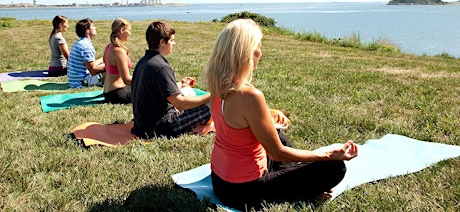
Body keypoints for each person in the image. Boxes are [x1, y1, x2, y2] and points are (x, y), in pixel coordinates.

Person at [203, 19, 359, 210]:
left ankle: (301, 179)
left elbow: (236, 123)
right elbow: (278, 154)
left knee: (276, 134)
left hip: (219, 181)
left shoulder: (217, 85)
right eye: (259, 47)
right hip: (244, 193)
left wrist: (269, 120)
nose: (261, 53)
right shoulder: (250, 95)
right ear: (248, 53)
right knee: (334, 168)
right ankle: (306, 186)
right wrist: (327, 154)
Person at [131, 20, 211, 138]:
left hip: (142, 124)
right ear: (162, 42)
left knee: (188, 90)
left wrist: (181, 84)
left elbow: (157, 90)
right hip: (160, 128)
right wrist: (212, 96)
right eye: (172, 40)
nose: (174, 43)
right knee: (211, 105)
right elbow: (180, 104)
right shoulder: (161, 66)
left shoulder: (144, 61)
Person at [67, 18, 105, 89]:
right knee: (112, 72)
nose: (95, 28)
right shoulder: (85, 46)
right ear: (87, 31)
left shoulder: (80, 42)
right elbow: (93, 70)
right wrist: (109, 65)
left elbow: (92, 65)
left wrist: (104, 59)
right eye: (93, 26)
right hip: (80, 82)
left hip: (74, 81)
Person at [103, 18, 132, 104]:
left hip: (108, 92)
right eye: (129, 30)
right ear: (122, 30)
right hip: (117, 94)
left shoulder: (109, 47)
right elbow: (126, 79)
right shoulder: (119, 51)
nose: (130, 33)